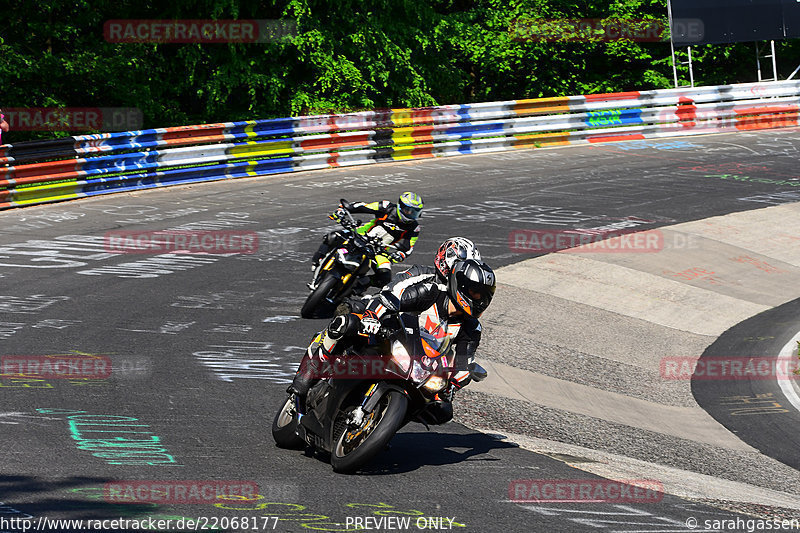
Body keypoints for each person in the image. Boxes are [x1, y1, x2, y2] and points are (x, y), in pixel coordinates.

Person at [290, 248, 496, 417]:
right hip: (388, 331)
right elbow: (388, 299)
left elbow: (464, 361)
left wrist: (455, 382)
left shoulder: (471, 328)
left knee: (442, 412)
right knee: (347, 323)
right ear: (460, 284)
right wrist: (372, 317)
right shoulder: (431, 289)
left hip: (419, 363)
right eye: (474, 293)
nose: (479, 300)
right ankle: (308, 372)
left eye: (484, 296)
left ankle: (385, 420)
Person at [311, 192, 423, 290]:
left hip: (380, 251)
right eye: (408, 210)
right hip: (360, 235)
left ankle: (355, 287)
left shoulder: (414, 227)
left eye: (415, 212)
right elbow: (363, 206)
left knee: (385, 277)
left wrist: (400, 255)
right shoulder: (387, 207)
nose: (410, 214)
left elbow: (409, 247)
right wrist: (344, 209)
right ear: (400, 206)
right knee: (333, 237)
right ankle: (318, 260)